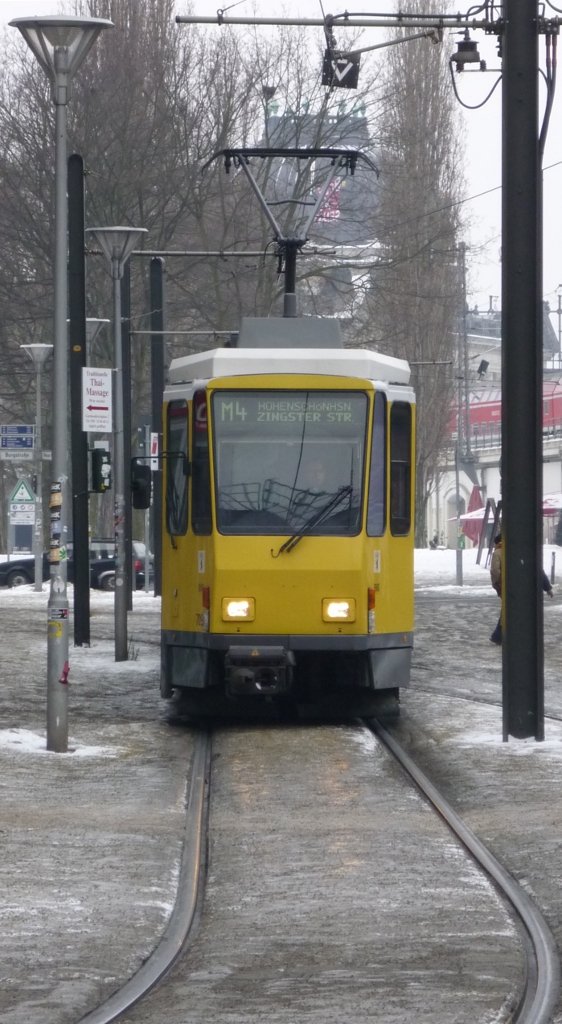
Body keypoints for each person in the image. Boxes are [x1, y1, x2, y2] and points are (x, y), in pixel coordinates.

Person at [490, 532, 554, 645]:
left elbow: (495, 571)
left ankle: (500, 636)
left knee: (508, 610)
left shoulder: (498, 552)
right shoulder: (520, 550)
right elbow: (538, 570)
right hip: (526, 587)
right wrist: (547, 587)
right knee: (517, 611)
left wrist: (497, 585)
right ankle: (501, 636)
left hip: (507, 587)